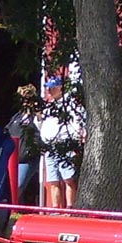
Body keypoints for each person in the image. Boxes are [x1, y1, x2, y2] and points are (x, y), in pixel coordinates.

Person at [37, 76, 84, 208]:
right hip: (50, 146)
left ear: (60, 88)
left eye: (52, 88)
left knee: (68, 179)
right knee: (53, 181)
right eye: (48, 88)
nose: (49, 91)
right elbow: (41, 125)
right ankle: (55, 209)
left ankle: (70, 208)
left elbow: (77, 123)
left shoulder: (70, 104)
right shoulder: (49, 106)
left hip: (64, 144)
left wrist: (74, 139)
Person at [5, 84, 42, 201]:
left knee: (18, 186)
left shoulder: (37, 116)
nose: (25, 102)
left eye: (27, 99)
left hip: (27, 158)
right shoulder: (17, 117)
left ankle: (13, 211)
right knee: (10, 187)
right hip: (12, 158)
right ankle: (12, 213)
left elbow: (42, 129)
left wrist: (37, 112)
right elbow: (7, 131)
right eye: (23, 99)